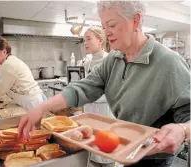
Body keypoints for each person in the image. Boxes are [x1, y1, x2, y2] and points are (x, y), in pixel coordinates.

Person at [18, 1, 190, 167]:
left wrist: (183, 130)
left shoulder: (169, 62)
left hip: (155, 157)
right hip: (127, 148)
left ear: (135, 20)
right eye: (104, 26)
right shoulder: (114, 59)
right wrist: (42, 108)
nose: (106, 32)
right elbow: (84, 87)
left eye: (112, 25)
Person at [0, 36, 46, 110]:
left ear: (4, 51)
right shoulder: (9, 61)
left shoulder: (9, 64)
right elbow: (4, 86)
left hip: (32, 103)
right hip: (30, 100)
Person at [83, 27, 115, 167]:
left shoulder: (111, 60)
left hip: (105, 113)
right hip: (90, 112)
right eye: (84, 40)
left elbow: (112, 92)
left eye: (89, 39)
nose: (85, 43)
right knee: (92, 151)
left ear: (100, 40)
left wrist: (89, 96)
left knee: (106, 152)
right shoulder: (87, 63)